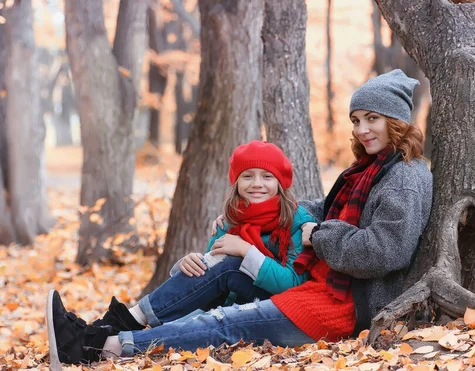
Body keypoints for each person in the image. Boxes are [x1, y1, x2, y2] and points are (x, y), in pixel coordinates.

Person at [46, 69, 433, 366]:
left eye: (372, 119)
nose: (362, 129)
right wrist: (256, 214)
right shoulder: (369, 169)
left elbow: (386, 251)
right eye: (356, 120)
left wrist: (320, 235)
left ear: (395, 120)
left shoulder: (404, 178)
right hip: (322, 289)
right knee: (227, 268)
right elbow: (323, 208)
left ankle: (102, 347)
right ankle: (112, 323)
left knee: (225, 324)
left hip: (345, 306)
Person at [46, 140, 315, 364]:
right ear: (236, 182)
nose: (257, 184)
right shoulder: (231, 219)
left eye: (267, 176)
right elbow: (212, 272)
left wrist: (246, 251)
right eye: (248, 176)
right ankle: (94, 341)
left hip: (275, 307)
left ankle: (119, 322)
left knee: (233, 264)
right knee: (175, 329)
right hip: (227, 306)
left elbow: (293, 284)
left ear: (280, 183)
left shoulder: (296, 221)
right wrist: (186, 265)